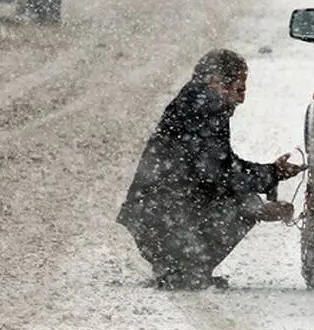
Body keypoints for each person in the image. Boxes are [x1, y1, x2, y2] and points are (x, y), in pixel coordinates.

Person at [117, 48, 304, 289]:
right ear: (217, 83)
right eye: (239, 89)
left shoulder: (195, 102)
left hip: (152, 215)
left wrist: (271, 173)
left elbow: (218, 167)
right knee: (245, 203)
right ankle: (185, 269)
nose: (242, 98)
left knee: (242, 199)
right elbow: (220, 174)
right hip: (162, 218)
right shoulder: (207, 109)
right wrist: (265, 193)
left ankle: (181, 266)